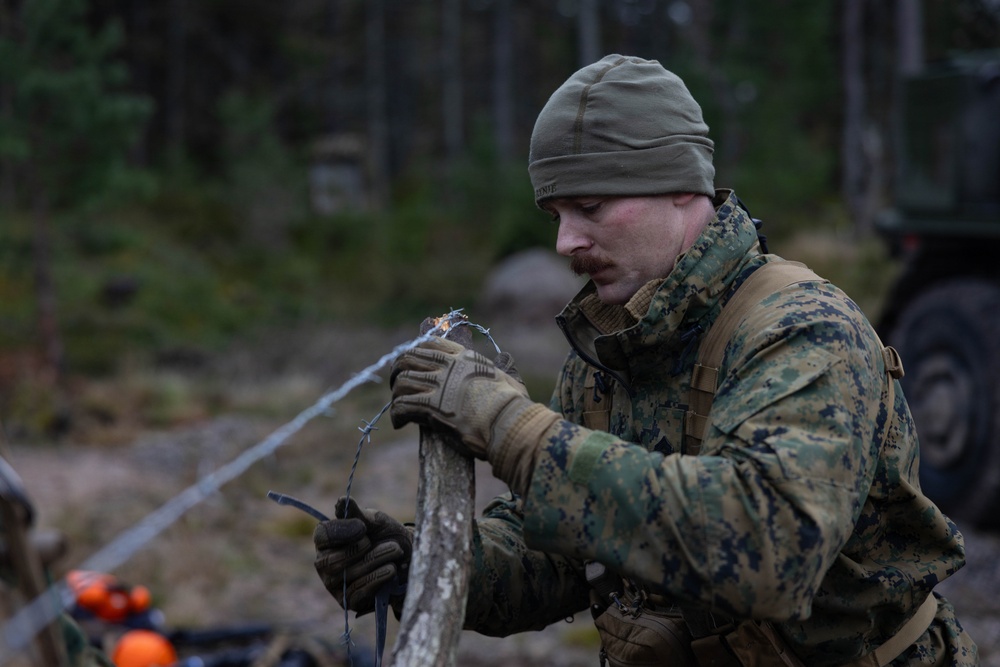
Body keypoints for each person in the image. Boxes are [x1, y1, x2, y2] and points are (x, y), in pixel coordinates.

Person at [313, 54, 978, 666]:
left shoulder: (802, 330)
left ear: (679, 186)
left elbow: (769, 548)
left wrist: (509, 427)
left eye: (591, 206)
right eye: (556, 214)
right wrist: (428, 561)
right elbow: (564, 555)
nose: (567, 241)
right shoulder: (613, 342)